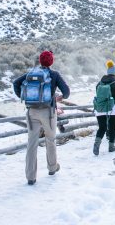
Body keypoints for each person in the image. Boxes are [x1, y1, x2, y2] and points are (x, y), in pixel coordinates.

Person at [13, 50, 70, 185]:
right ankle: (52, 168)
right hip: (48, 112)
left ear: (40, 60)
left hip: (31, 111)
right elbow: (67, 92)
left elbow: (16, 83)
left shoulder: (31, 73)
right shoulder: (54, 75)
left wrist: (23, 96)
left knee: (32, 143)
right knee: (50, 140)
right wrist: (59, 98)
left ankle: (30, 176)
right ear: (51, 61)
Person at [93, 60, 115, 155]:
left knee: (102, 128)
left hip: (100, 109)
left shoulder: (100, 83)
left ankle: (96, 145)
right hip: (114, 110)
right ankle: (111, 147)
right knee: (112, 128)